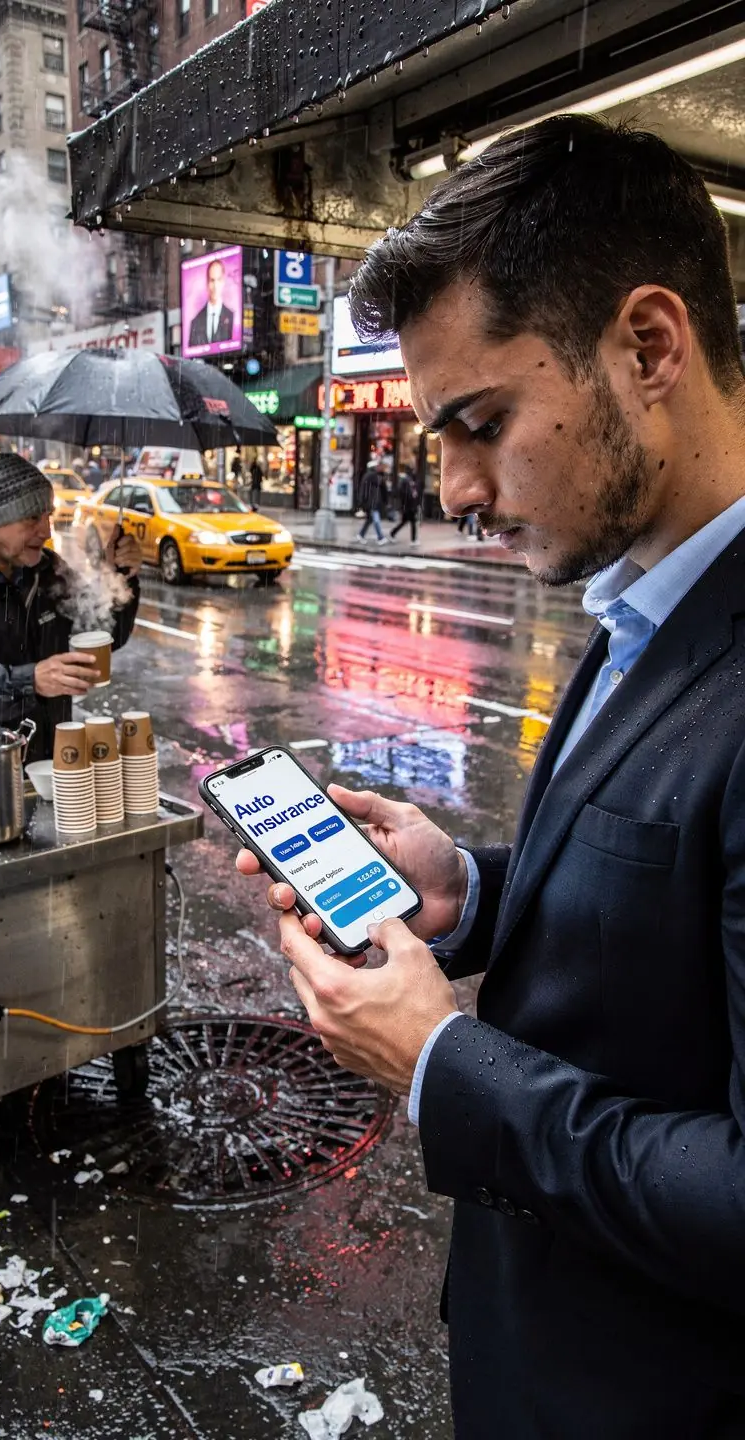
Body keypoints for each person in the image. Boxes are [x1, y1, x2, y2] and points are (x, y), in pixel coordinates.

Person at [237, 116, 745, 1438]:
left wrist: (438, 1060)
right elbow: (669, 906)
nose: (453, 489)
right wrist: (472, 887)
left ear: (648, 348)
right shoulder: (641, 596)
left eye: (480, 424)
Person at [0, 453, 141, 793]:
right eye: (31, 518)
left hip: (45, 774)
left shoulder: (46, 570)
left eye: (48, 515)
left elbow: (101, 635)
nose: (46, 530)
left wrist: (121, 576)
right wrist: (30, 681)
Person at [188, 258, 235, 349]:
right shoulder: (195, 321)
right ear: (207, 283)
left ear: (223, 282)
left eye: (219, 280)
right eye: (212, 280)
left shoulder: (232, 316)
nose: (215, 286)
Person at [355, 459, 389, 544]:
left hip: (372, 502)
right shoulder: (373, 477)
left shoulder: (372, 476)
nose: (380, 468)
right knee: (376, 520)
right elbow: (369, 490)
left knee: (370, 519)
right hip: (372, 503)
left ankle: (361, 535)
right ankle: (380, 538)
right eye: (378, 466)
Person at [390, 465, 423, 544]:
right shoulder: (406, 480)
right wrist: (412, 496)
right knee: (412, 522)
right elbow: (405, 493)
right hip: (409, 506)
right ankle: (413, 540)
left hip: (408, 506)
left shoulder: (408, 480)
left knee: (405, 522)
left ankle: (393, 533)